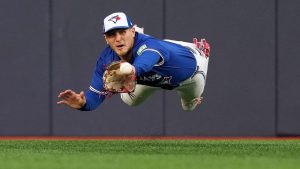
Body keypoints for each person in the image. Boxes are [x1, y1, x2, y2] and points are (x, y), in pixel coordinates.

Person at [57, 12, 210, 112]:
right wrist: (82, 104)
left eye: (122, 32)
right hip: (150, 77)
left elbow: (146, 61)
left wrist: (130, 70)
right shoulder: (105, 60)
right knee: (130, 99)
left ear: (132, 31)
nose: (117, 39)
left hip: (191, 73)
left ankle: (197, 50)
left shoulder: (150, 48)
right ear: (105, 39)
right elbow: (94, 97)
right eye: (111, 34)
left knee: (188, 107)